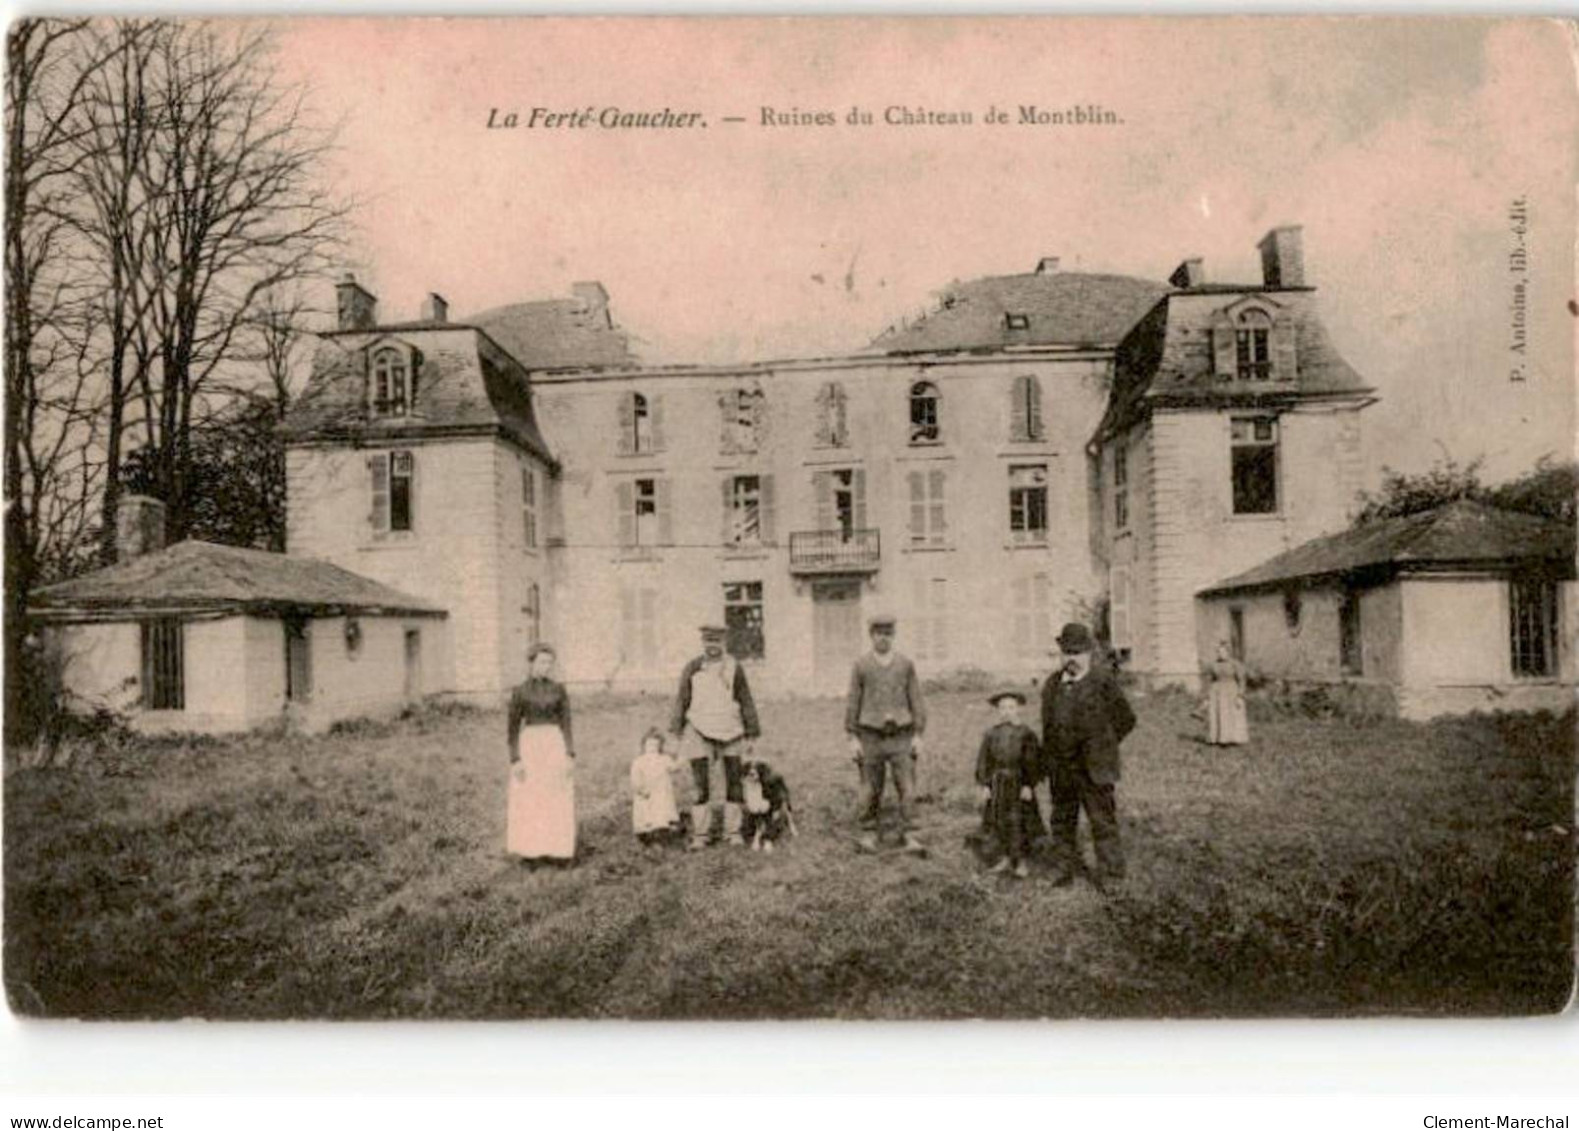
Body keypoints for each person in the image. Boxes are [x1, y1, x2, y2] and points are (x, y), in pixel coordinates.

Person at [1041, 622, 1136, 888]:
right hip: (1062, 768)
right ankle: (1063, 869)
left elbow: (1126, 719)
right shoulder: (1052, 685)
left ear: (1089, 654)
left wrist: (1103, 745)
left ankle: (1112, 876)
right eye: (1067, 652)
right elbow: (1047, 725)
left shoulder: (1103, 682)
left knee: (1102, 822)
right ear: (1061, 653)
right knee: (1062, 820)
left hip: (1095, 768)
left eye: (1078, 652)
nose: (1072, 658)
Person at [670, 624, 761, 849]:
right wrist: (676, 731)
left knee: (734, 781)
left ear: (724, 642)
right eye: (708, 641)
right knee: (701, 783)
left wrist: (751, 732)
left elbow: (745, 698)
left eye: (717, 641)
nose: (713, 646)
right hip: (699, 729)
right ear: (703, 643)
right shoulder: (693, 667)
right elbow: (682, 699)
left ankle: (733, 831)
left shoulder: (734, 667)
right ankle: (701, 834)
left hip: (730, 730)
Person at [845, 613, 928, 855]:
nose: (883, 639)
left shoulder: (905, 664)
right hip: (870, 736)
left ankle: (912, 834)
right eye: (879, 634)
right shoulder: (861, 665)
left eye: (888, 634)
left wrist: (918, 734)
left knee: (907, 786)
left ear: (894, 636)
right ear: (871, 636)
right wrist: (852, 737)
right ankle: (868, 833)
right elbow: (853, 702)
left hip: (901, 736)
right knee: (870, 787)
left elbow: (916, 700)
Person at [506, 642, 576, 865]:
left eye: (550, 662)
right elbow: (513, 728)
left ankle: (558, 851)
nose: (546, 666)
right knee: (532, 797)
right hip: (531, 746)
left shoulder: (558, 690)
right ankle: (531, 852)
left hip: (553, 743)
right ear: (532, 663)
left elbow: (566, 722)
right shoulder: (520, 691)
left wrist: (569, 753)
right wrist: (515, 759)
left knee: (556, 794)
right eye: (542, 662)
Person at [975, 688, 1042, 878]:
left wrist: (1028, 785)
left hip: (1018, 783)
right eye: (1002, 708)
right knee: (998, 820)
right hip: (998, 784)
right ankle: (1004, 857)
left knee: (1018, 821)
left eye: (1011, 707)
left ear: (1018, 709)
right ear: (998, 710)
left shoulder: (1026, 733)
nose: (1007, 711)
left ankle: (1020, 860)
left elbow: (1033, 761)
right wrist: (985, 785)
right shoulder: (991, 734)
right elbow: (983, 761)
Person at [630, 727, 681, 846]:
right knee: (646, 814)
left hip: (662, 793)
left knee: (661, 814)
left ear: (660, 746)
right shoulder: (639, 761)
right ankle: (646, 837)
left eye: (655, 745)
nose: (652, 748)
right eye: (649, 745)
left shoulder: (664, 759)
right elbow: (635, 778)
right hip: (647, 792)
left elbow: (674, 768)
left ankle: (661, 837)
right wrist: (640, 789)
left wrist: (680, 758)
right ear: (644, 746)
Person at [1204, 640, 1250, 746]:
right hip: (1217, 692)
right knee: (1218, 714)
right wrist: (1207, 695)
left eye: (1222, 652)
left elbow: (1242, 680)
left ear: (1228, 652)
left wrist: (1240, 695)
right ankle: (1218, 738)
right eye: (1218, 652)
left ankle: (1232, 738)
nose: (1220, 654)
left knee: (1231, 714)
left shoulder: (1235, 664)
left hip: (1231, 691)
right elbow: (1210, 679)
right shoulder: (1214, 665)